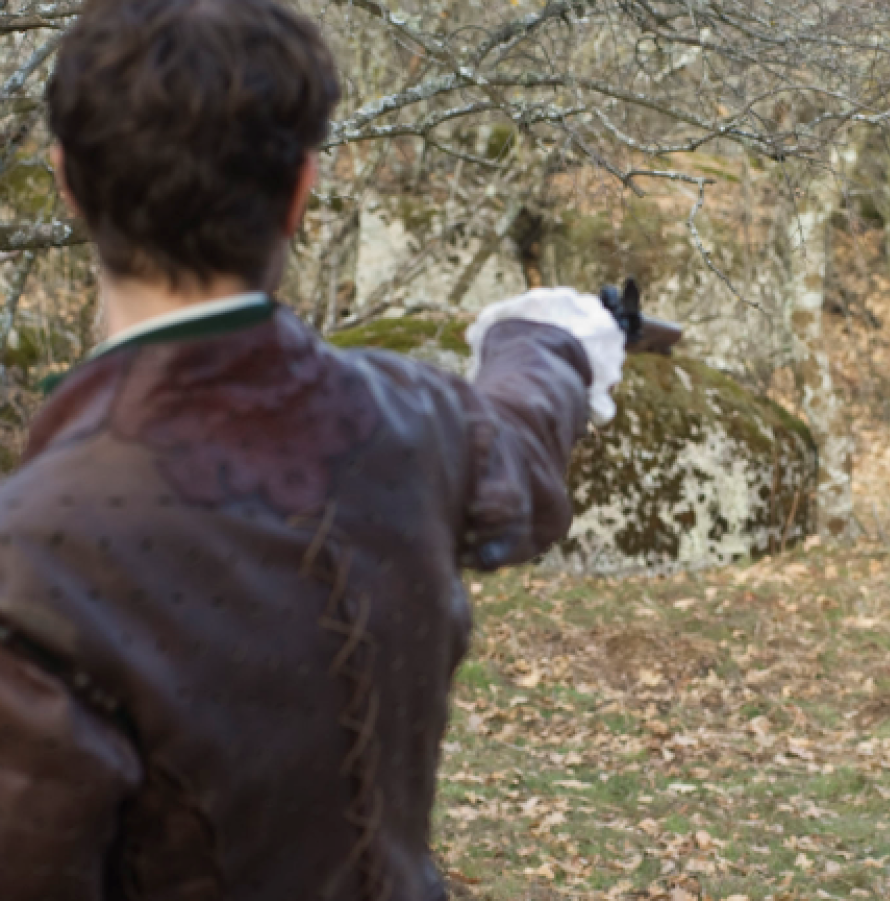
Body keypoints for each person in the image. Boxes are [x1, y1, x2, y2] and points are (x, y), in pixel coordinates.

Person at [0, 0, 623, 897]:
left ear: (66, 181)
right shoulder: (413, 420)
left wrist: (550, 345)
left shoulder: (30, 553)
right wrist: (550, 344)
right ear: (301, 189)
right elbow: (517, 438)